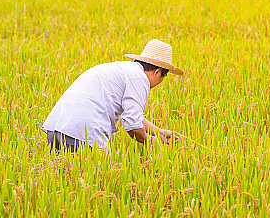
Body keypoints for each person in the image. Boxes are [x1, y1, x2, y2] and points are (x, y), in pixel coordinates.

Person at [41, 39, 184, 152]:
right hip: (84, 134)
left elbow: (133, 116)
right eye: (163, 78)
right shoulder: (139, 79)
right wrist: (151, 142)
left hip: (57, 129)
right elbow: (132, 124)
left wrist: (159, 132)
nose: (160, 83)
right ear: (157, 71)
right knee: (97, 179)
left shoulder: (124, 69)